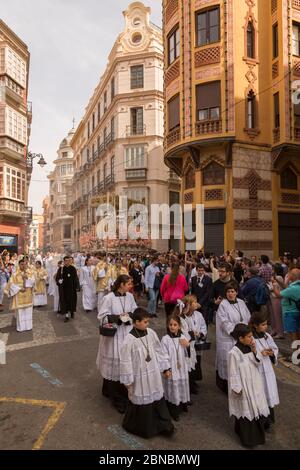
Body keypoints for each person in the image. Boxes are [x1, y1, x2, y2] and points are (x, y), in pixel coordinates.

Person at [120, 307, 174, 438]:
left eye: (148, 321)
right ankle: (145, 428)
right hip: (140, 375)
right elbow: (125, 361)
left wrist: (166, 368)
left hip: (153, 372)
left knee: (156, 397)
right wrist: (128, 381)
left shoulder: (150, 333)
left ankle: (162, 425)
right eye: (145, 322)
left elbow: (159, 350)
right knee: (142, 399)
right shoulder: (129, 340)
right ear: (136, 322)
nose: (147, 324)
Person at [96, 274, 137, 414]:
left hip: (127, 333)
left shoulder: (130, 297)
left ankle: (107, 389)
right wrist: (119, 318)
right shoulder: (108, 298)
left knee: (123, 363)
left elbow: (134, 311)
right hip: (114, 336)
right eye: (129, 284)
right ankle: (118, 398)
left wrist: (130, 315)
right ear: (121, 284)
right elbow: (102, 317)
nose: (131, 286)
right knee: (116, 364)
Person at [228, 323, 270, 448]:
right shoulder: (233, 353)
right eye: (249, 337)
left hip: (255, 384)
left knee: (256, 408)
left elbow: (257, 363)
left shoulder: (250, 348)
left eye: (252, 336)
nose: (252, 339)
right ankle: (248, 438)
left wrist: (255, 351)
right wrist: (237, 388)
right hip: (244, 387)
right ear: (241, 338)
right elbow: (233, 373)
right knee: (246, 411)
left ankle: (253, 431)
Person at [216, 282, 251, 393]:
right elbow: (224, 322)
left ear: (236, 292)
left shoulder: (241, 302)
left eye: (232, 291)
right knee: (228, 362)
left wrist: (246, 331)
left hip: (242, 337)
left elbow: (248, 317)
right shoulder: (223, 304)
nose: (230, 294)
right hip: (229, 338)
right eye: (228, 291)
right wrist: (237, 333)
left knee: (240, 362)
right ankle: (227, 386)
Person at [250, 311, 279, 428]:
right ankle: (260, 420)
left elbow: (275, 348)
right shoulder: (250, 338)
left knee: (268, 393)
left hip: (267, 369)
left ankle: (269, 419)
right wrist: (261, 354)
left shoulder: (268, 336)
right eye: (262, 324)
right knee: (260, 394)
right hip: (257, 370)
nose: (265, 326)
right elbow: (249, 355)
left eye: (266, 324)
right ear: (255, 325)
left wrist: (272, 353)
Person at [161, 314, 190, 421]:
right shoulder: (165, 339)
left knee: (181, 386)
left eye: (175, 324)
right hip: (171, 368)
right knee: (173, 388)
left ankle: (182, 405)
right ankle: (174, 410)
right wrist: (166, 369)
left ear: (179, 326)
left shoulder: (183, 337)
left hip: (181, 367)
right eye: (170, 325)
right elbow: (163, 355)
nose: (172, 327)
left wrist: (188, 346)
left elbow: (187, 354)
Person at [4, 258, 35, 332]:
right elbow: (11, 284)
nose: (24, 266)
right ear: (19, 265)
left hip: (28, 296)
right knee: (20, 312)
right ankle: (21, 328)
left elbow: (34, 282)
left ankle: (28, 326)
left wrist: (27, 278)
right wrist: (19, 289)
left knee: (28, 311)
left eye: (25, 264)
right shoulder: (15, 274)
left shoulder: (30, 272)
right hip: (19, 295)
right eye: (22, 264)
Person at [272, 268, 300, 347]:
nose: (288, 275)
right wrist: (279, 281)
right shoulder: (296, 286)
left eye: (290, 273)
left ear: (293, 276)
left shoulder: (293, 288)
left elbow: (278, 294)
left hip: (290, 312)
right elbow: (287, 288)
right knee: (297, 333)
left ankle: (296, 355)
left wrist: (274, 285)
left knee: (293, 334)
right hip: (296, 311)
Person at [55, 256, 80, 322]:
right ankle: (66, 315)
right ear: (64, 261)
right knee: (64, 302)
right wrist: (59, 281)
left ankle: (72, 312)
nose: (67, 262)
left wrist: (77, 286)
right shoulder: (61, 269)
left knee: (71, 301)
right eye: (66, 261)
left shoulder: (73, 268)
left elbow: (76, 278)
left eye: (69, 260)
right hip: (64, 289)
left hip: (71, 288)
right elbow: (57, 277)